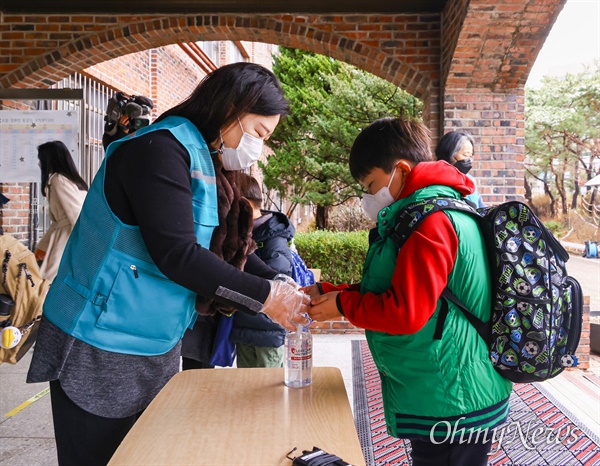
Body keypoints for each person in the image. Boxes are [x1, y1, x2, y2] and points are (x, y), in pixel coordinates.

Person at [27, 62, 310, 466]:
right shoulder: (159, 149)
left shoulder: (205, 158)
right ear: (231, 108)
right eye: (259, 133)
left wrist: (283, 284)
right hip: (98, 340)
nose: (257, 149)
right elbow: (177, 254)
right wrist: (267, 299)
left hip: (152, 340)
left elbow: (227, 251)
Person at [307, 117, 512, 466]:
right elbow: (406, 285)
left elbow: (406, 312)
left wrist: (343, 304)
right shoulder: (430, 212)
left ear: (400, 170)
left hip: (454, 399)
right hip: (448, 388)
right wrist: (331, 292)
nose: (367, 197)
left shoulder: (432, 222)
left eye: (370, 185)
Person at [229, 174, 295, 368]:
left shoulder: (274, 240)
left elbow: (276, 286)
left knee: (269, 394)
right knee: (246, 392)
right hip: (244, 328)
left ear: (245, 204)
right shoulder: (246, 232)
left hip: (267, 332)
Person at [34, 141, 88, 283]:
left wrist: (84, 244)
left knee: (49, 280)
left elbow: (76, 214)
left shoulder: (59, 180)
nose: (39, 163)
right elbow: (58, 222)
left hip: (67, 237)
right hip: (65, 234)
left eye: (41, 159)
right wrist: (42, 247)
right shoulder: (70, 180)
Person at [435, 130, 485, 208]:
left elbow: (481, 208)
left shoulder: (470, 181)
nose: (468, 160)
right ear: (449, 155)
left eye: (470, 156)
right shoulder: (434, 181)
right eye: (465, 155)